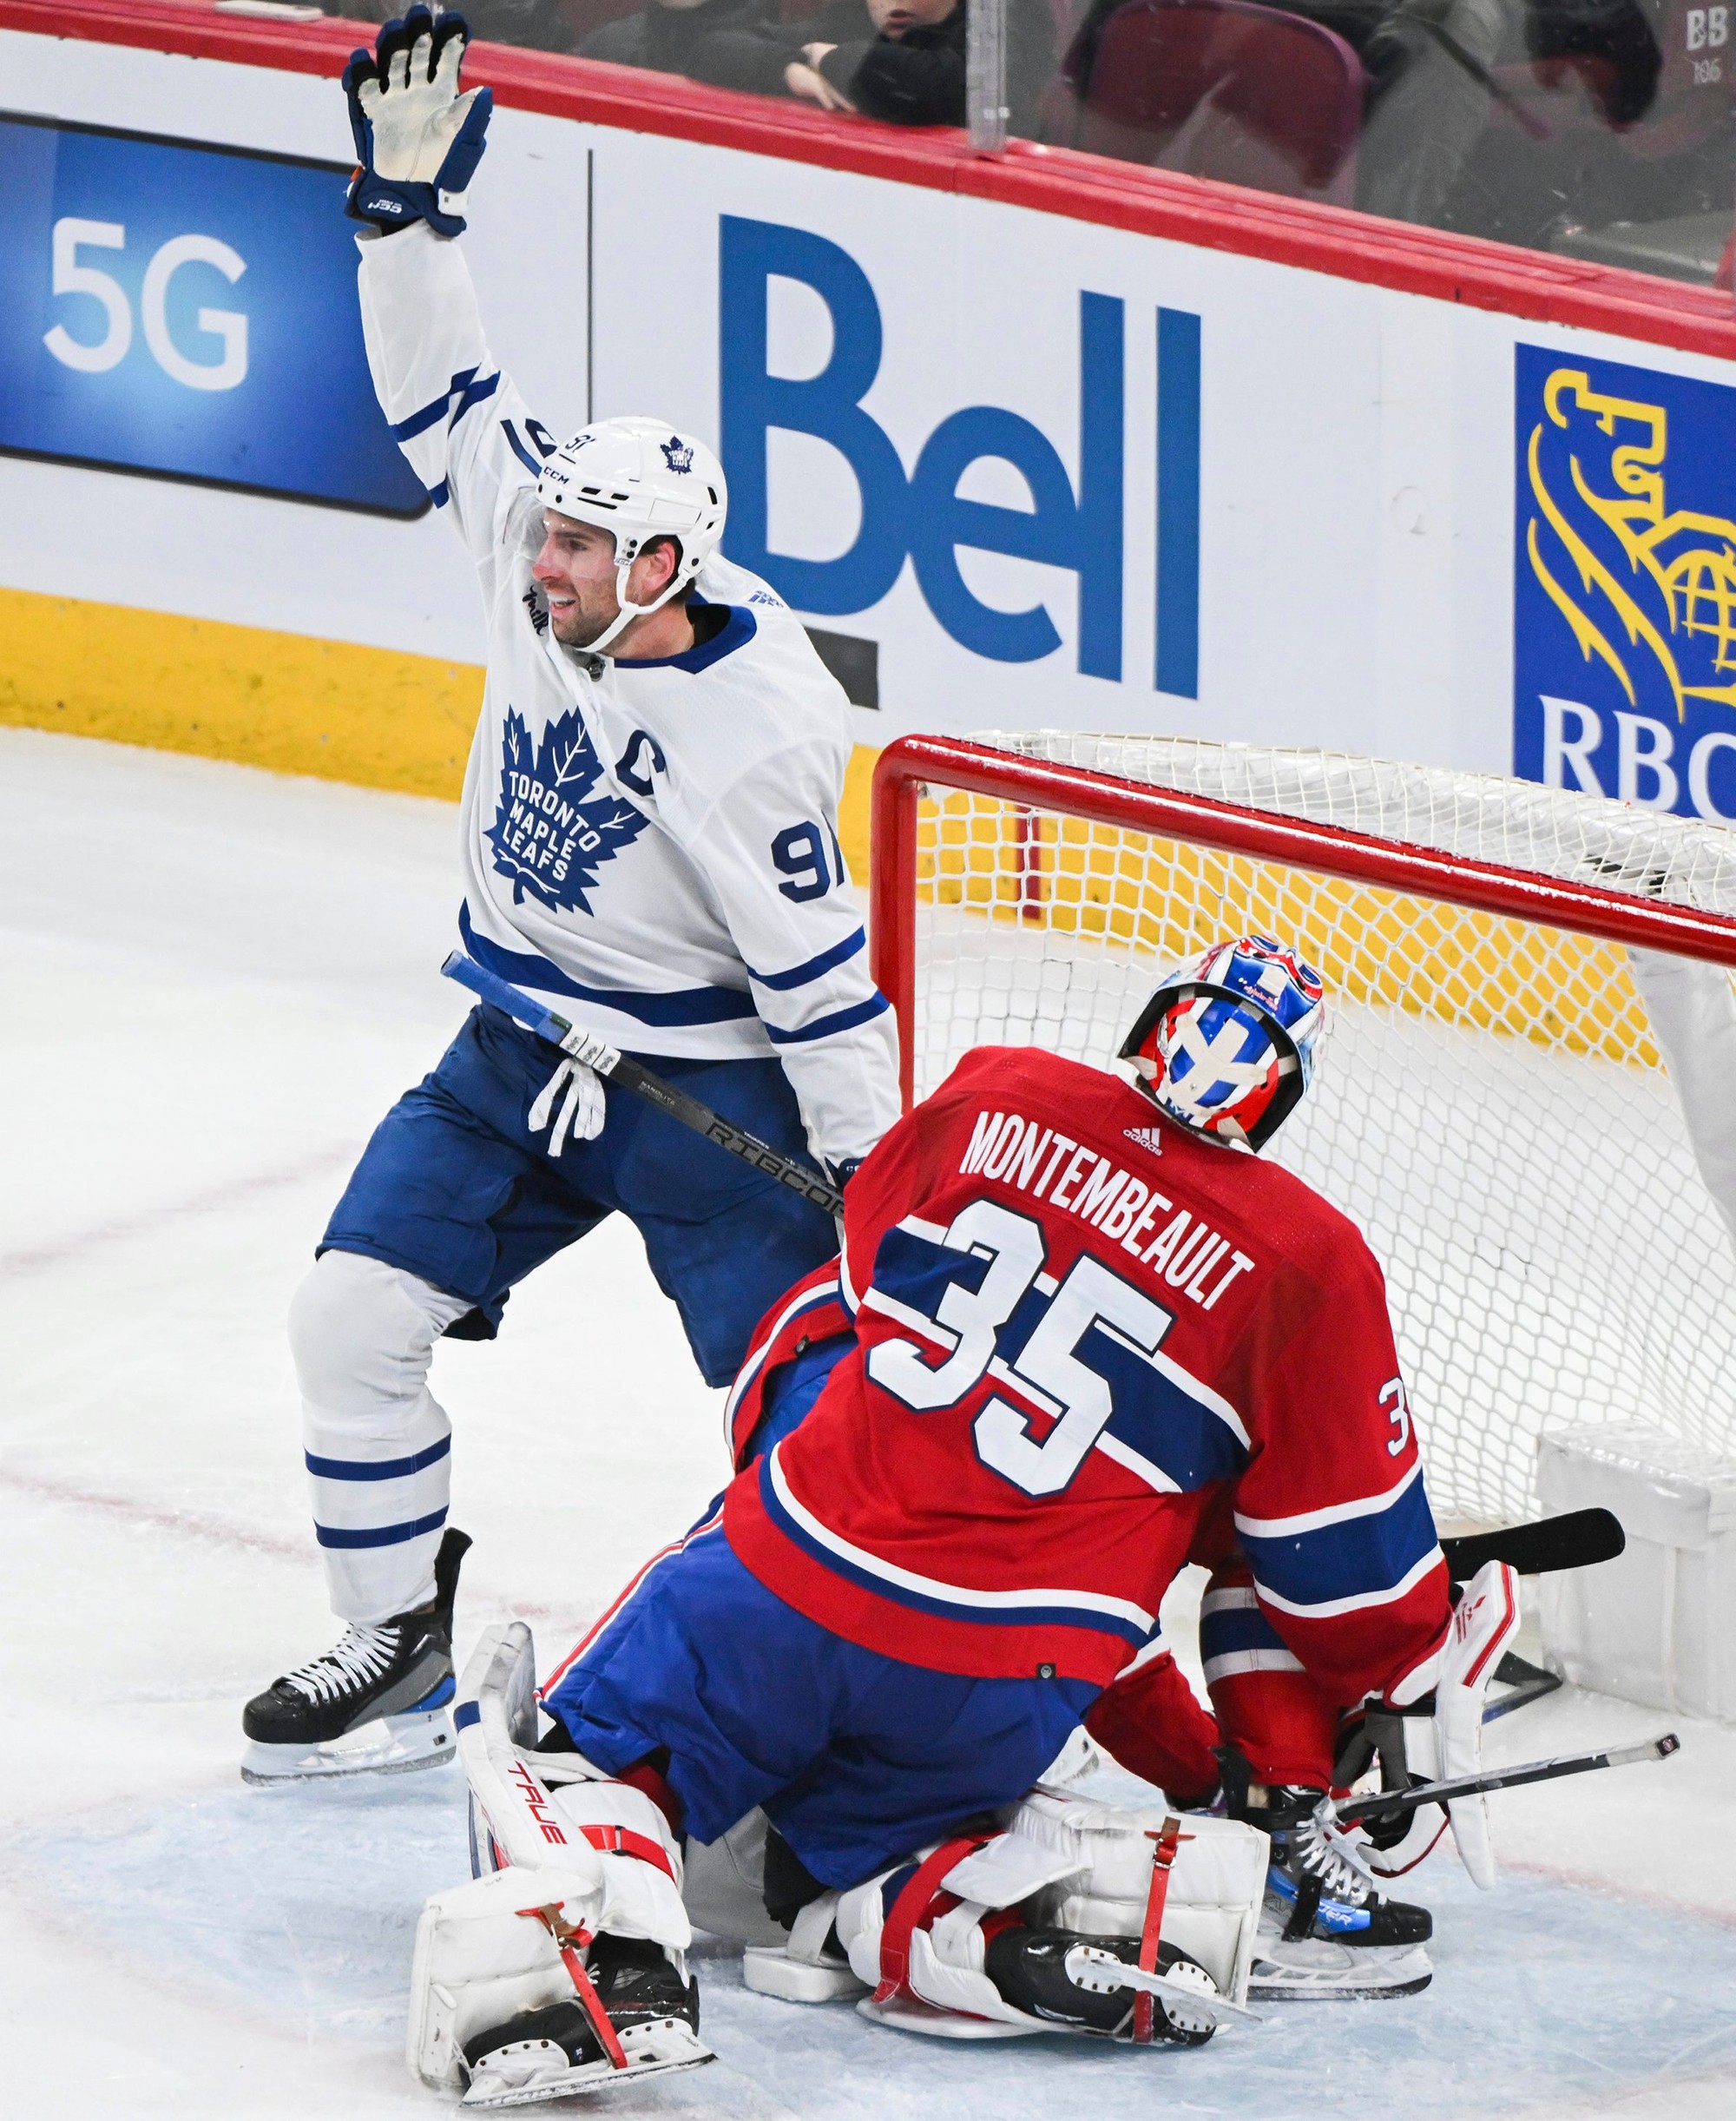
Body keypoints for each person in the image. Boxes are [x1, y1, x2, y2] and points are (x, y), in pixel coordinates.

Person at [404, 935, 1523, 2097]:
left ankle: (606, 1946)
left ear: (1159, 1018)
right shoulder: (1315, 1262)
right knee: (880, 1832)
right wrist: (1360, 1686)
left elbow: (848, 1295)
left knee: (596, 1759)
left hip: (788, 1583)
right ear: (1280, 1088)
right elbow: (1351, 1584)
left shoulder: (994, 1087)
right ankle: (939, 1912)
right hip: (1009, 1682)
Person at [239, 10, 899, 1785]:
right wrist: (400, 218)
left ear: (665, 565)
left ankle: (840, 1693)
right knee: (348, 1319)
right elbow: (441, 395)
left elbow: (824, 984)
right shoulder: (537, 558)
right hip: (515, 1048)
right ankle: (389, 1641)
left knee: (818, 1418)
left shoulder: (759, 732)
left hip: (705, 1095)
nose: (543, 568)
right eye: (549, 541)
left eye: (582, 552)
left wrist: (869, 1175)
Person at [583, 0, 1057, 136]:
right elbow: (714, 50)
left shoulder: (1009, 19)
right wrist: (789, 67)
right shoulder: (850, 16)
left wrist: (825, 57)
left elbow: (934, 90)